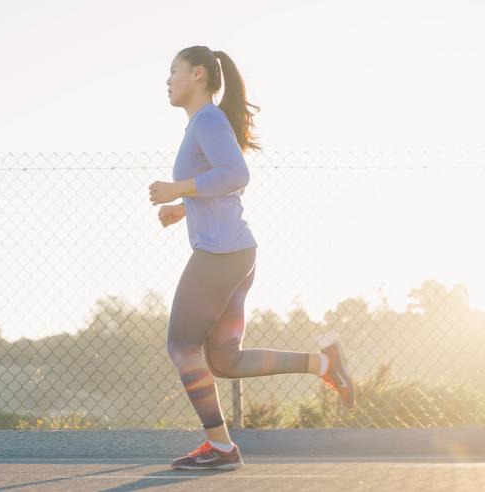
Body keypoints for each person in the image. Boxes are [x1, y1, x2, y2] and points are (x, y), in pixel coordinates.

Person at [148, 45, 356, 472]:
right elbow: (224, 184)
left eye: (174, 71)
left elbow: (237, 175)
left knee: (182, 345)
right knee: (224, 359)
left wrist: (177, 189)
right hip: (236, 252)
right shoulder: (203, 123)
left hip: (221, 254)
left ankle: (221, 448)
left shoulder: (206, 119)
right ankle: (324, 363)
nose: (168, 80)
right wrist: (183, 208)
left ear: (199, 75)